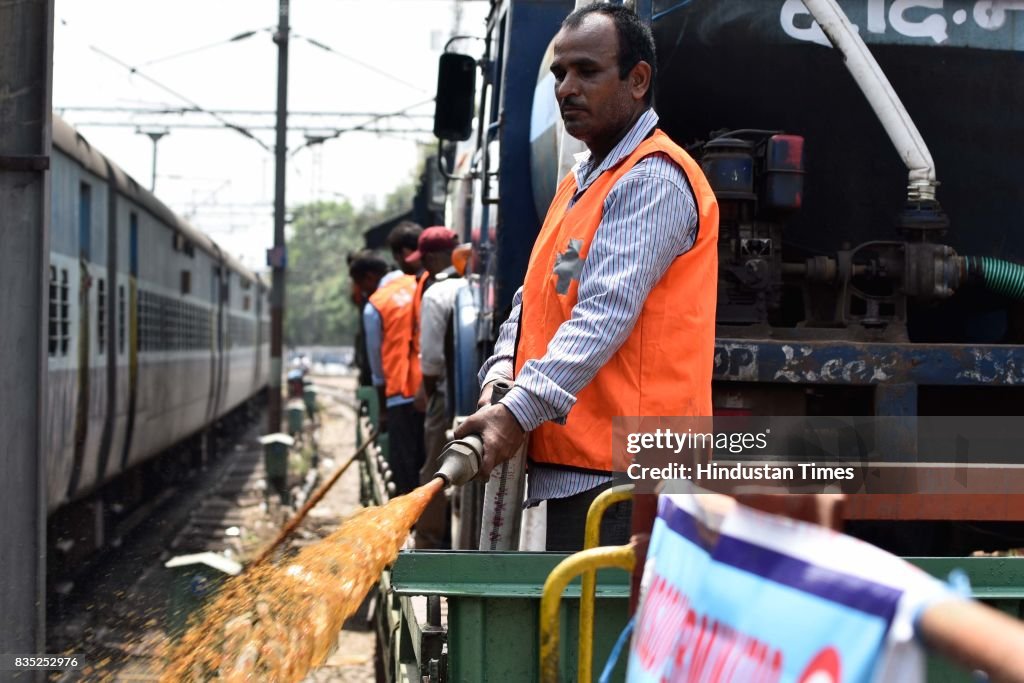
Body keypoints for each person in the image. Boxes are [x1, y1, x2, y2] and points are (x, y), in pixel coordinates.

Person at [454, 3, 719, 551]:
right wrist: (500, 376)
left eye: (587, 72)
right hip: (592, 469)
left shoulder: (653, 180)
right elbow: (541, 298)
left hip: (633, 478)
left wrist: (517, 410)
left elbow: (603, 315)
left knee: (602, 637)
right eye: (559, 73)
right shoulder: (582, 186)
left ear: (638, 80)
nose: (565, 88)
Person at [355, 236, 426, 495]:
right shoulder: (419, 282)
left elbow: (376, 363)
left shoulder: (375, 304)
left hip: (399, 395)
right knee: (428, 463)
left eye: (362, 285)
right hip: (428, 389)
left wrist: (382, 410)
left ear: (369, 277)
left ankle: (409, 529)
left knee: (405, 470)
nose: (363, 292)